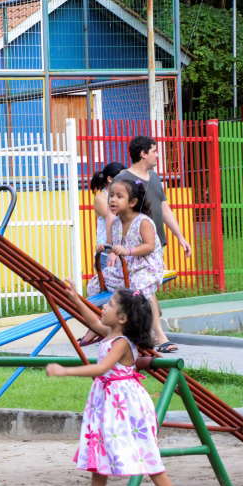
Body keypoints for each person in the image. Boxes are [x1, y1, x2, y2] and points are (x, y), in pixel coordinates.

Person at [48, 284, 191, 486]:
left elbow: (101, 368)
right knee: (100, 448)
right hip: (109, 403)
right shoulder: (111, 333)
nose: (104, 307)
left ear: (122, 318)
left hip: (126, 406)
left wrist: (65, 371)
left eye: (110, 304)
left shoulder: (122, 342)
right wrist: (75, 299)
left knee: (144, 452)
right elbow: (93, 321)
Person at [113, 136, 191, 353]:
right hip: (132, 249)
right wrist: (112, 247)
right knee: (145, 289)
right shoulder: (123, 178)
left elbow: (165, 209)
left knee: (147, 289)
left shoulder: (155, 178)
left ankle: (145, 334)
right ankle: (158, 336)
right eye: (155, 151)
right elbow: (113, 213)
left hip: (153, 246)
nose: (158, 155)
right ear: (143, 153)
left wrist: (180, 237)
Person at [84, 179, 164, 345]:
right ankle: (104, 327)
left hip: (146, 268)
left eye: (119, 196)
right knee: (94, 285)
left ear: (133, 202)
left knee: (136, 290)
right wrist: (102, 247)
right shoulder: (116, 223)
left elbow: (149, 246)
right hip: (125, 269)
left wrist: (128, 251)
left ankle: (148, 333)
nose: (113, 199)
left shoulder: (143, 221)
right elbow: (112, 245)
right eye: (111, 195)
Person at [90, 162, 126, 271]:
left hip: (120, 248)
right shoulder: (100, 198)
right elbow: (116, 216)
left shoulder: (122, 197)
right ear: (110, 179)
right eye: (121, 177)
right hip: (106, 251)